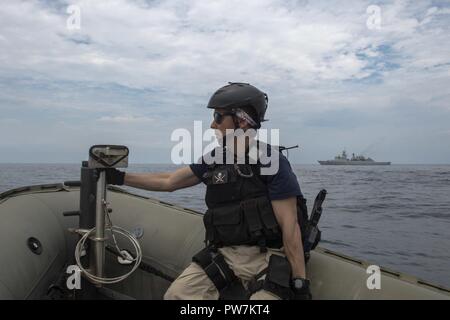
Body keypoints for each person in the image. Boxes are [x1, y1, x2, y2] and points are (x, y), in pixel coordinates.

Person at [106, 82, 312, 300]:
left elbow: (290, 228)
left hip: (267, 258)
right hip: (226, 254)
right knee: (176, 296)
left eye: (218, 116)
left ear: (241, 121)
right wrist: (120, 178)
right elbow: (169, 181)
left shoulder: (272, 163)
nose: (213, 125)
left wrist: (300, 283)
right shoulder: (214, 158)